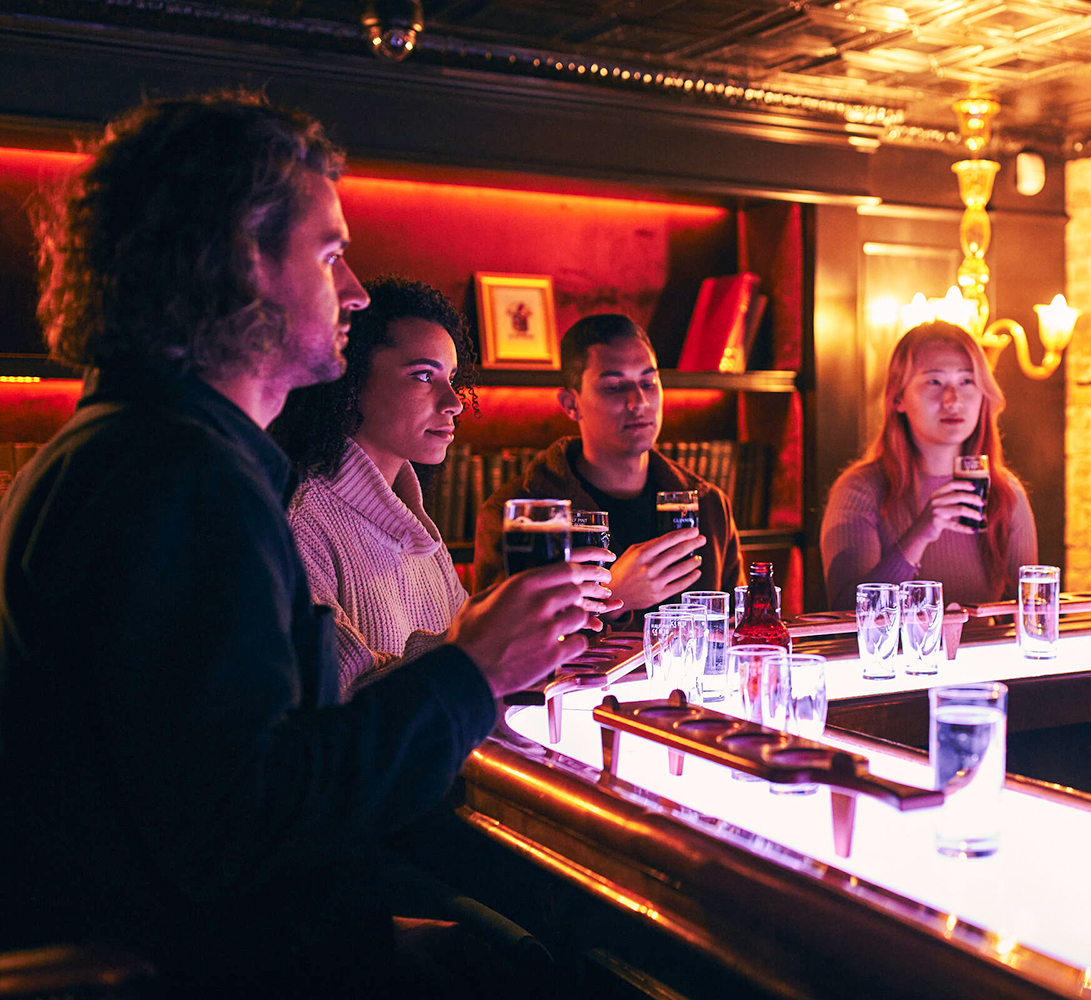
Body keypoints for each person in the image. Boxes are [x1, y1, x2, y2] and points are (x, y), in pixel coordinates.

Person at [0, 92, 614, 996]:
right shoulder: (179, 478)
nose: (355, 292)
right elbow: (241, 823)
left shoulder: (133, 449)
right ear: (237, 261)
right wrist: (474, 669)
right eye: (331, 255)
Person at [271, 276, 476, 700]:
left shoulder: (415, 526)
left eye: (451, 378)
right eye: (424, 376)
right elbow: (339, 701)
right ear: (350, 382)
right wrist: (484, 646)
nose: (454, 402)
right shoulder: (301, 522)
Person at [474, 314, 742, 619]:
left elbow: (738, 629)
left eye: (648, 383)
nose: (638, 401)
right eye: (614, 387)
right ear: (571, 404)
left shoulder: (709, 505)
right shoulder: (516, 515)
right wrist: (612, 596)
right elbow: (497, 639)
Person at [821, 320, 1038, 610]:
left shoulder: (1004, 491)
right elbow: (847, 612)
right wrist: (921, 533)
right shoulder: (860, 490)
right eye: (934, 382)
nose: (952, 400)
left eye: (967, 381)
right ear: (898, 397)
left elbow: (1030, 612)